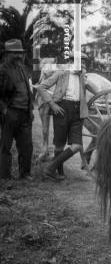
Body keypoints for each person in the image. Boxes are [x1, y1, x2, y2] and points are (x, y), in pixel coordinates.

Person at [36, 52, 93, 181]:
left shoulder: (83, 76)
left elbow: (94, 90)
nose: (84, 65)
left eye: (84, 62)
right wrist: (52, 104)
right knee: (59, 144)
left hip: (78, 111)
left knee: (77, 145)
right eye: (81, 62)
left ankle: (50, 168)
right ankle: (59, 172)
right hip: (62, 109)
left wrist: (107, 94)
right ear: (72, 62)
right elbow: (41, 87)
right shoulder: (61, 73)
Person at [0, 39, 34, 181]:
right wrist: (4, 110)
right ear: (7, 54)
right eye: (14, 53)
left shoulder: (23, 69)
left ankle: (24, 174)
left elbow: (28, 91)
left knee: (26, 146)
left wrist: (30, 111)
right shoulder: (2, 70)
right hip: (10, 112)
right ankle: (4, 175)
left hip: (24, 113)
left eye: (19, 53)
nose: (18, 56)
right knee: (5, 146)